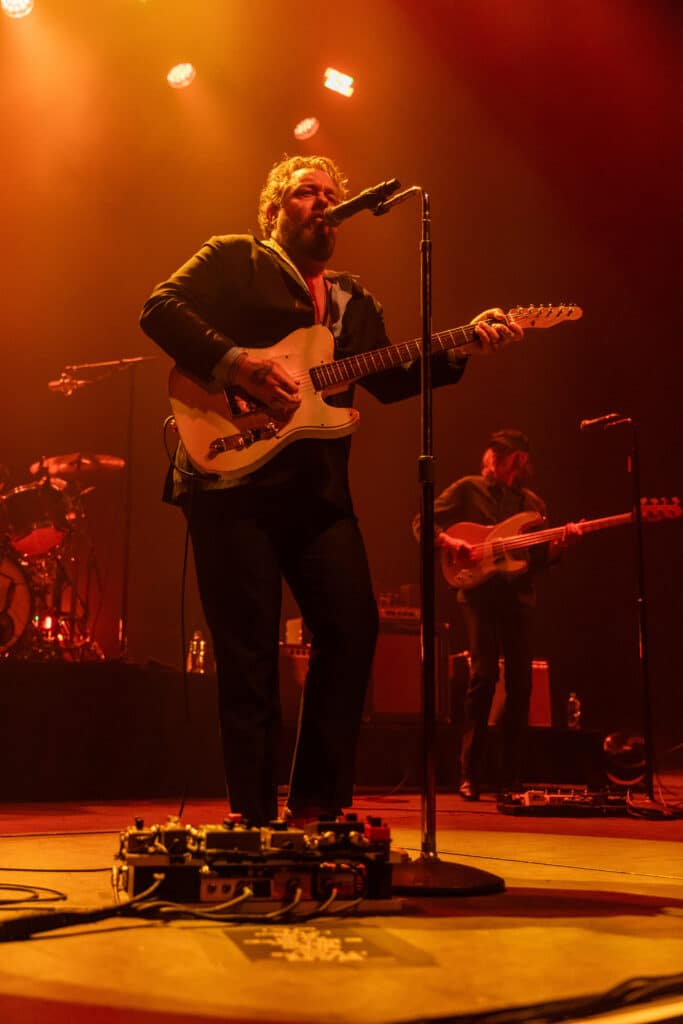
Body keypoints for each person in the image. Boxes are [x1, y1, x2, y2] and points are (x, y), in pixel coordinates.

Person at [139, 154, 523, 826]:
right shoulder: (234, 257)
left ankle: (316, 805)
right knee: (249, 651)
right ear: (273, 211)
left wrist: (464, 344)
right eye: (305, 192)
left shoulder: (351, 299)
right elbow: (159, 308)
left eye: (330, 194)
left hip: (318, 492)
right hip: (230, 481)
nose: (323, 202)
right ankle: (254, 817)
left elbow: (392, 378)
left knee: (351, 627)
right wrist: (239, 365)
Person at [416, 429, 580, 800]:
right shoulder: (468, 489)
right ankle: (469, 773)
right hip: (478, 595)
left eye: (516, 458)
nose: (510, 464)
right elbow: (421, 519)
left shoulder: (533, 504)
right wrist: (450, 541)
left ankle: (511, 776)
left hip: (518, 598)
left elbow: (537, 559)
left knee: (522, 683)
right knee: (484, 676)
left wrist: (560, 546)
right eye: (504, 456)